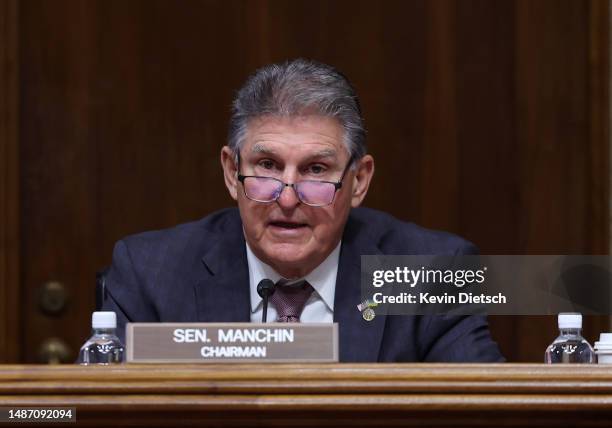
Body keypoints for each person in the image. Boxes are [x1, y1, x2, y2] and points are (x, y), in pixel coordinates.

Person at [102, 59, 504, 362]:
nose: (288, 198)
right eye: (267, 166)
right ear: (231, 172)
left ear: (359, 180)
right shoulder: (150, 274)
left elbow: (487, 414)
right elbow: (104, 413)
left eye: (316, 169)